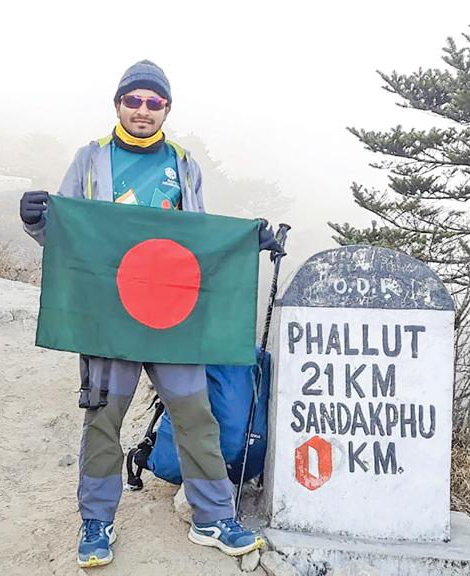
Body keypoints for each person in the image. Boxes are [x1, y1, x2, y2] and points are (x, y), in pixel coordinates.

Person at [19, 60, 283, 568]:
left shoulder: (184, 163)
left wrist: (248, 244)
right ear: (118, 104)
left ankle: (213, 517)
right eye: (133, 100)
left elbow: (199, 239)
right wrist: (36, 225)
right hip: (110, 316)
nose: (143, 110)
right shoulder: (91, 157)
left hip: (173, 318)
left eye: (154, 102)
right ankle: (96, 522)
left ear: (167, 109)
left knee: (196, 417)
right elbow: (70, 235)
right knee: (103, 421)